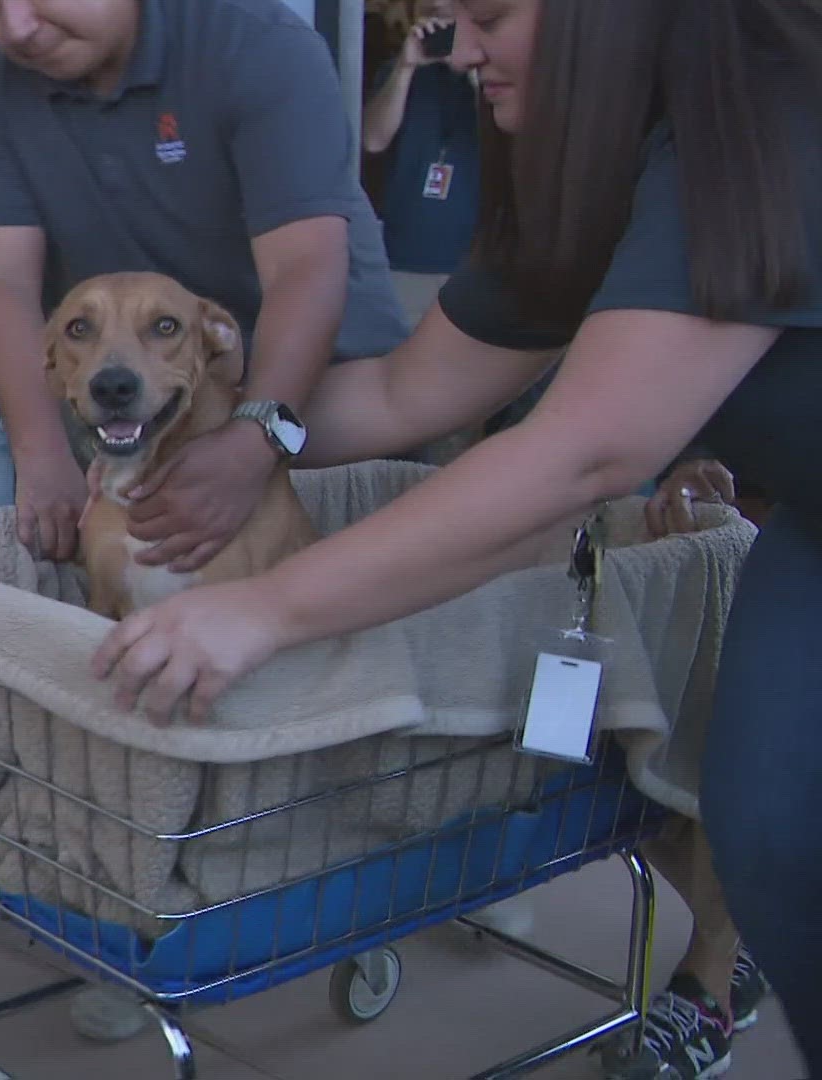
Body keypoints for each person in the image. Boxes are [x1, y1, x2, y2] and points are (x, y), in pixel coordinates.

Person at [89, 1, 821, 1076]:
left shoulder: (769, 110)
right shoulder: (594, 176)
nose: (459, 49)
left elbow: (584, 455)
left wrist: (262, 609)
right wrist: (235, 433)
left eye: (488, 13)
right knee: (769, 823)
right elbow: (401, 390)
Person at [0, 0, 411, 579]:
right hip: (140, 434)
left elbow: (303, 269)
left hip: (318, 417)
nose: (15, 27)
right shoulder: (0, 85)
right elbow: (0, 279)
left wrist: (253, 440)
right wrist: (40, 452)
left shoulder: (257, 45)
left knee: (337, 640)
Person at [361, 0, 485, 330]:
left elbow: (505, 143)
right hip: (404, 258)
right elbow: (373, 140)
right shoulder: (402, 70)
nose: (438, 5)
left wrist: (475, 72)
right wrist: (405, 68)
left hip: (472, 263)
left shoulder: (493, 76)